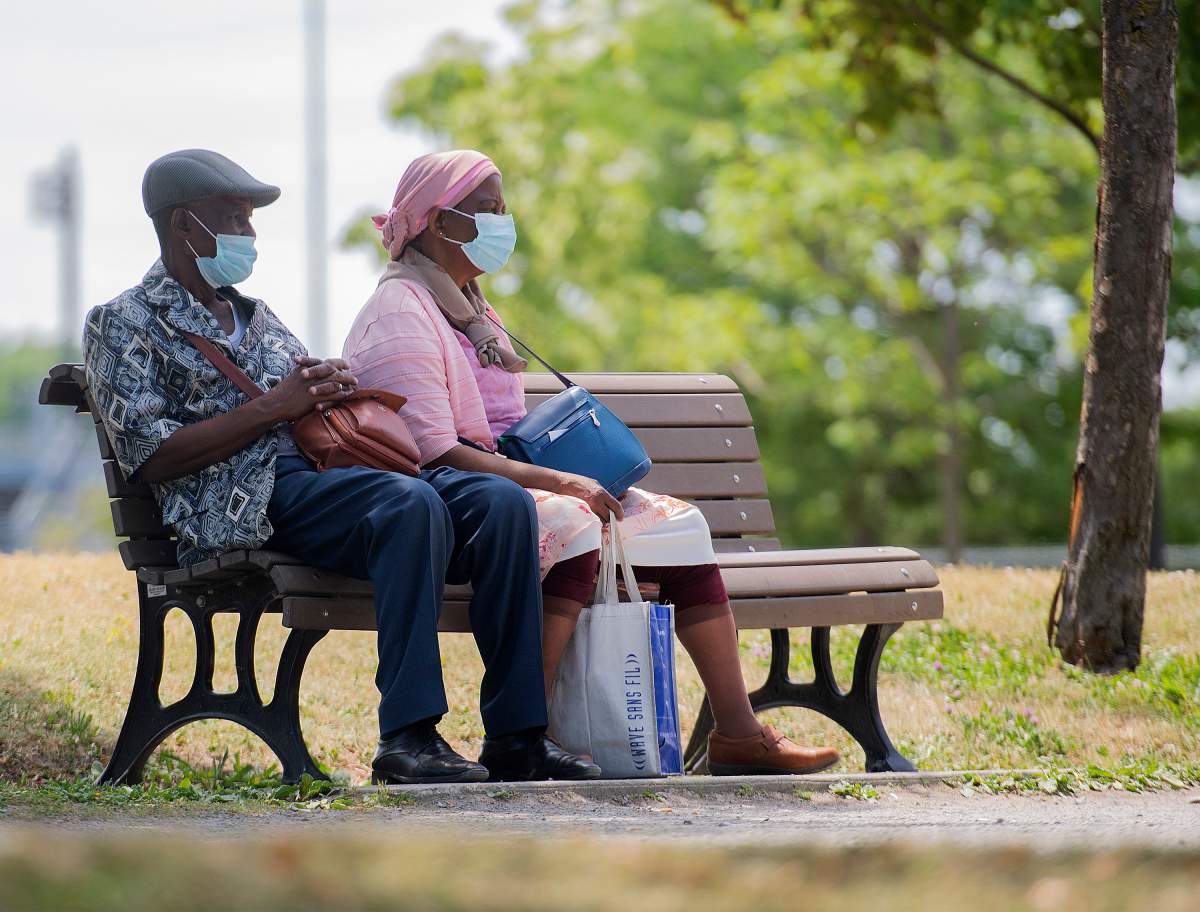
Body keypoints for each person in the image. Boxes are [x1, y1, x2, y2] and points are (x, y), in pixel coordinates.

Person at [82, 149, 598, 784]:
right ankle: (407, 738)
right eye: (233, 218)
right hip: (236, 498)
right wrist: (277, 405)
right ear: (184, 225)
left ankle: (518, 736)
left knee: (501, 505)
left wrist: (329, 385)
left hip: (318, 481)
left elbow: (302, 404)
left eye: (250, 220)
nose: (247, 234)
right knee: (408, 504)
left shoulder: (256, 315)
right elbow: (151, 455)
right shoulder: (123, 322)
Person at [343, 150, 841, 776]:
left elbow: (502, 427)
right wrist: (560, 480)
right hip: (454, 496)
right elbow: (431, 450)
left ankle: (738, 734)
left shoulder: (472, 309)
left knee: (680, 528)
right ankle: (523, 735)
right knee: (576, 521)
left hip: (507, 479)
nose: (505, 222)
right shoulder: (400, 310)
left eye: (504, 208)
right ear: (442, 223)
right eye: (489, 210)